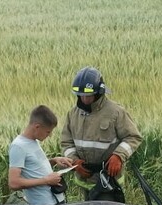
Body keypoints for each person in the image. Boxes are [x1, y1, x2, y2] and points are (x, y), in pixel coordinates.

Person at [61, 66, 142, 197]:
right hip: (84, 180)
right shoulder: (73, 114)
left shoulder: (116, 112)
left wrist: (118, 156)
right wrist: (75, 161)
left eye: (88, 95)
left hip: (108, 181)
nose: (84, 99)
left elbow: (133, 137)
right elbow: (66, 143)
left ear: (99, 92)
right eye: (81, 95)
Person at [8, 105, 75, 205]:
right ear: (37, 127)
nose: (50, 135)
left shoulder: (33, 141)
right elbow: (13, 183)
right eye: (48, 131)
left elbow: (34, 168)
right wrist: (46, 180)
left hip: (55, 200)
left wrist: (54, 160)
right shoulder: (18, 146)